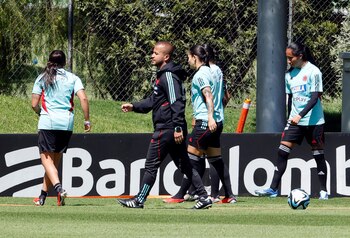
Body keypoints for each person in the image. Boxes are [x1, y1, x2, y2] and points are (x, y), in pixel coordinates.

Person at [117, 41, 212, 209]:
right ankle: (204, 197)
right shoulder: (164, 75)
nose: (152, 55)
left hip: (167, 129)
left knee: (151, 165)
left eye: (155, 53)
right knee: (185, 165)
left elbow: (176, 102)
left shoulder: (168, 75)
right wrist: (134, 106)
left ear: (166, 56)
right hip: (171, 127)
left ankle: (139, 200)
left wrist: (176, 127)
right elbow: (154, 101)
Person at [163, 44, 236, 204]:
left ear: (195, 58)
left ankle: (183, 195)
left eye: (189, 57)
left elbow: (208, 96)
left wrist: (209, 117)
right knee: (215, 159)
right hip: (217, 122)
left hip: (205, 122)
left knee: (190, 159)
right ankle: (229, 195)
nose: (188, 60)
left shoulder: (200, 75)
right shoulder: (214, 71)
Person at [255, 42, 328, 200]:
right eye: (287, 58)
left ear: (300, 56)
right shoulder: (289, 75)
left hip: (314, 122)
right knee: (282, 151)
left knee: (318, 156)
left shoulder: (313, 71)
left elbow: (315, 97)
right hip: (294, 122)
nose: (288, 61)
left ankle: (323, 191)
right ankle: (273, 189)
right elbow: (290, 99)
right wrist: (291, 116)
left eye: (290, 58)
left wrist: (300, 115)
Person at [31, 50, 91, 206]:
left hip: (48, 122)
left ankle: (59, 188)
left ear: (49, 61)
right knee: (54, 163)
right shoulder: (73, 78)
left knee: (46, 160)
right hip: (66, 124)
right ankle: (43, 196)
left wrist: (40, 113)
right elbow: (83, 98)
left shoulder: (42, 77)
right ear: (65, 62)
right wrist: (87, 121)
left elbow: (34, 104)